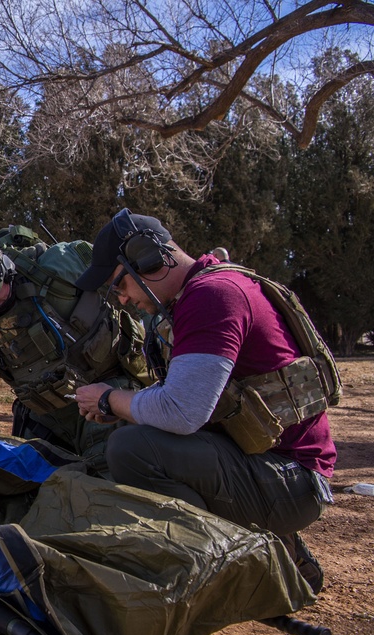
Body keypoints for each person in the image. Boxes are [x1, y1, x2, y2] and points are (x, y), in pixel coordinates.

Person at [73, 208, 336, 593]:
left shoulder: (211, 297)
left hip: (292, 481)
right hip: (276, 467)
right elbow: (194, 401)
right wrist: (126, 408)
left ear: (147, 257)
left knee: (132, 450)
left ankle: (225, 567)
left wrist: (112, 400)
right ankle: (273, 545)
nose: (124, 299)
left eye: (119, 285)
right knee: (140, 436)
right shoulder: (207, 290)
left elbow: (182, 411)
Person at [0, 231, 150, 472]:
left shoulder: (60, 264)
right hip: (49, 415)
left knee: (110, 477)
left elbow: (134, 278)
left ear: (4, 268)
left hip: (107, 390)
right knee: (29, 481)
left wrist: (158, 330)